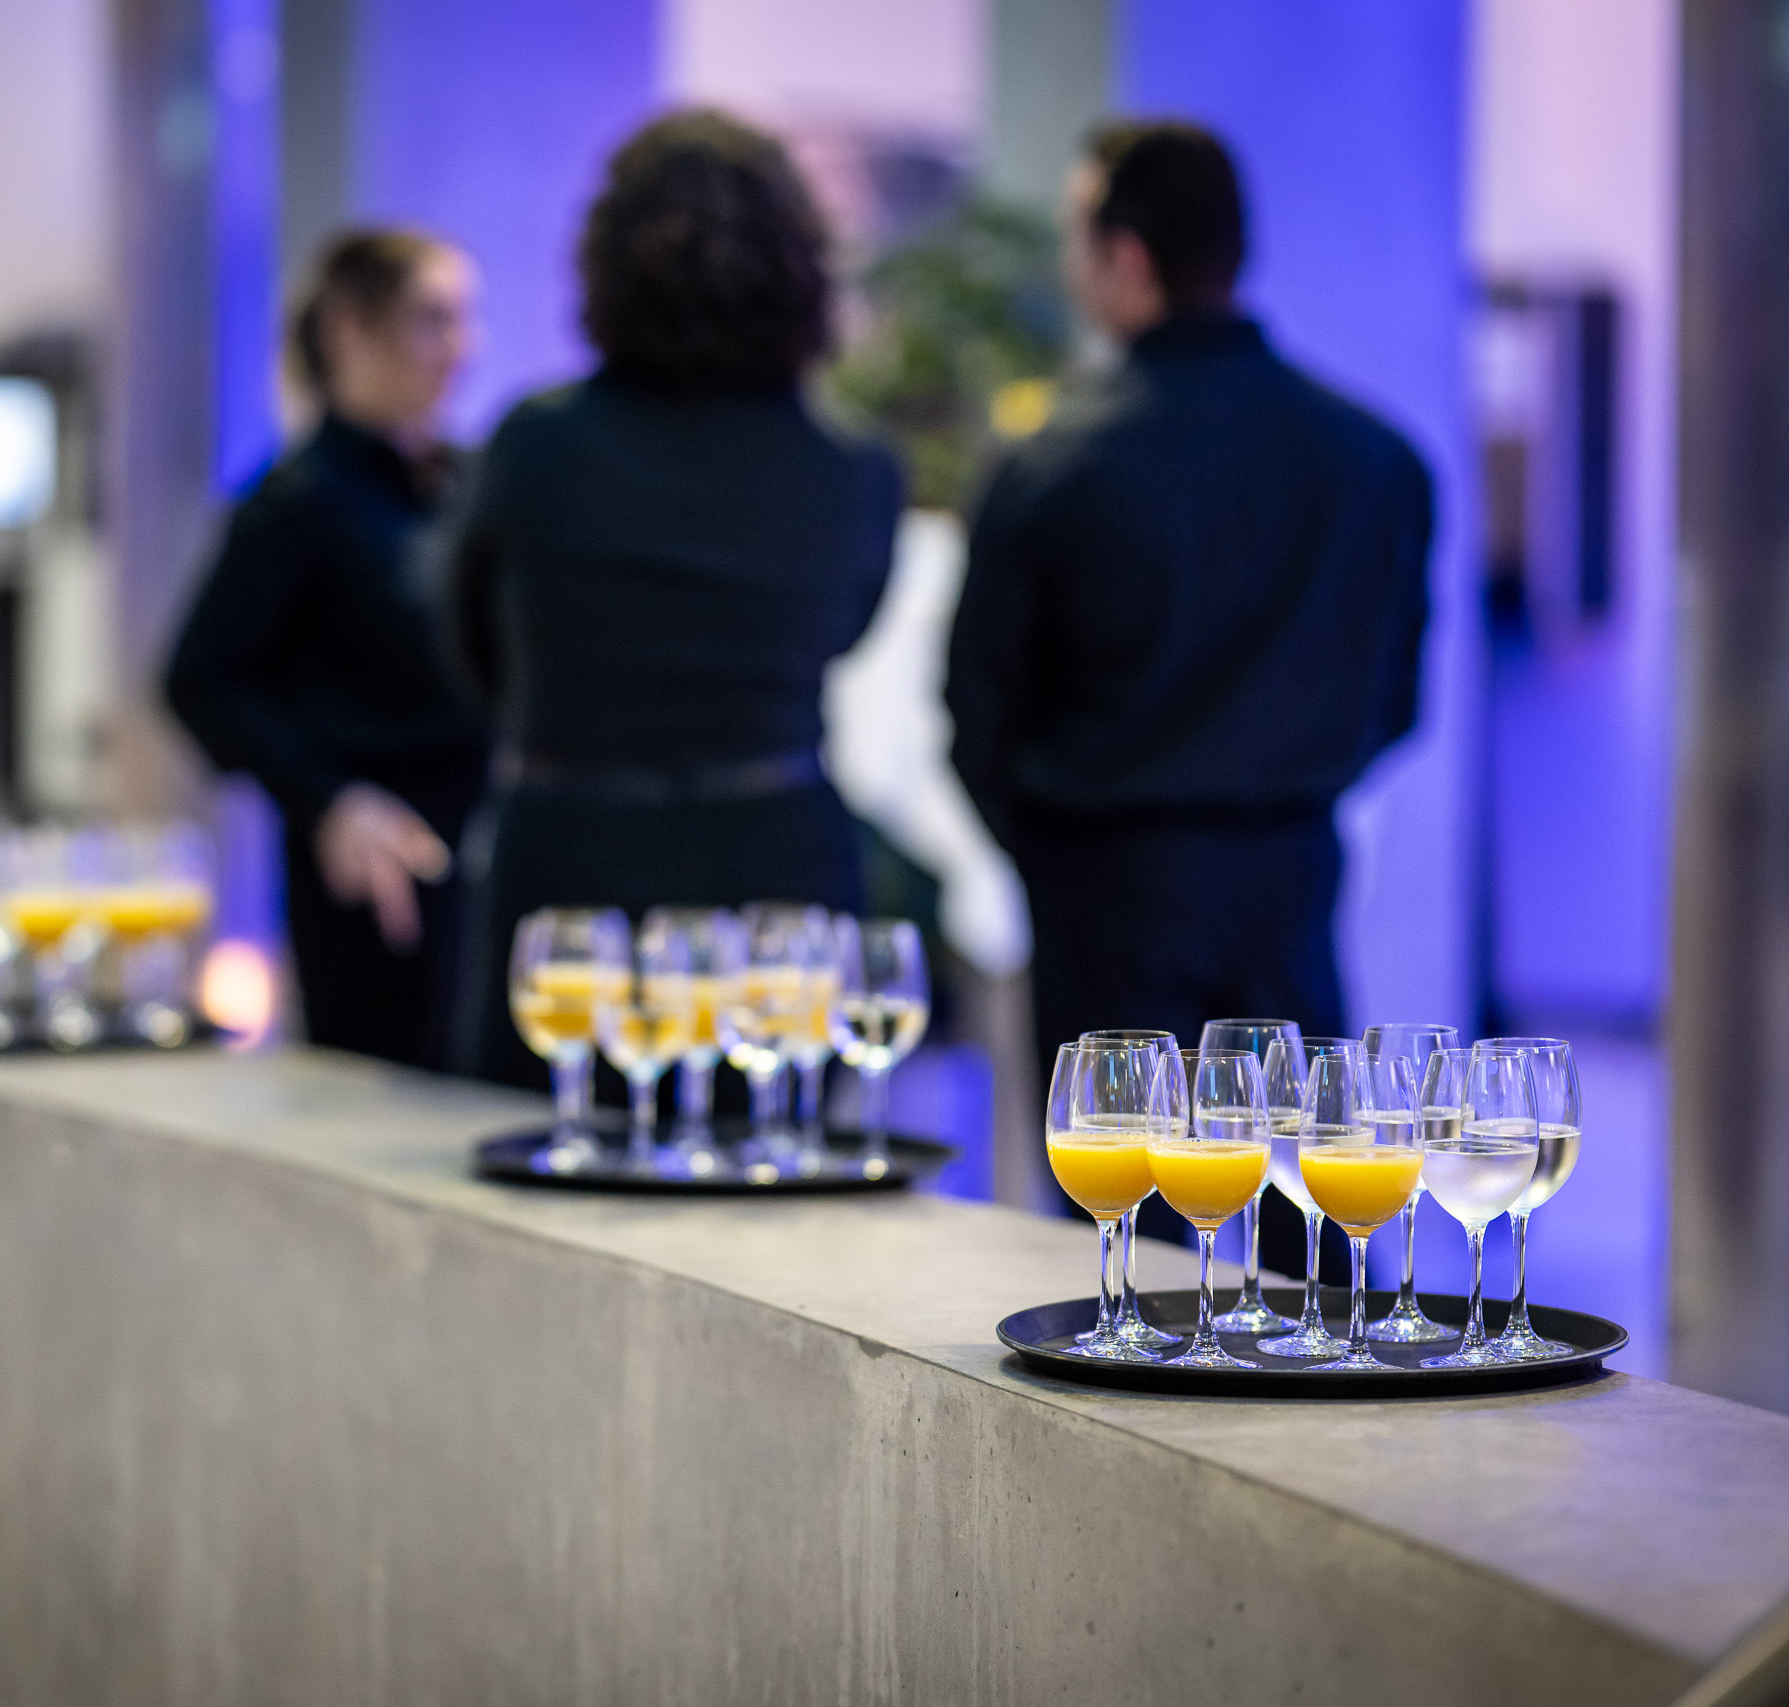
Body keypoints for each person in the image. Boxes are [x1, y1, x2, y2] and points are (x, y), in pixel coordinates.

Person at [945, 122, 1432, 1267]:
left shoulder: (1051, 460)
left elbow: (976, 712)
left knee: (1132, 1253)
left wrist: (1052, 847)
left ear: (1123, 256)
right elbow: (1394, 699)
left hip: (1104, 882)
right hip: (1287, 870)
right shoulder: (1373, 457)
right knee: (1303, 1233)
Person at [445, 109, 903, 1090]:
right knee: (777, 1163)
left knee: (549, 1153)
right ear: (800, 270)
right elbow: (846, 630)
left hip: (571, 866)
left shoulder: (535, 445)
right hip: (776, 870)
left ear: (605, 263)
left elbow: (473, 647)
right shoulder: (852, 467)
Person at [166, 229, 491, 1070]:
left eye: (464, 320)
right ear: (349, 329)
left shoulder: (465, 483)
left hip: (483, 851)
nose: (462, 348)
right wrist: (333, 802)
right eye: (432, 320)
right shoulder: (298, 500)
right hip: (372, 877)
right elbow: (200, 678)